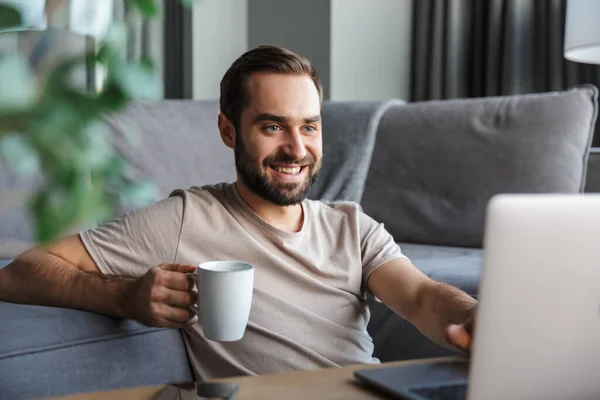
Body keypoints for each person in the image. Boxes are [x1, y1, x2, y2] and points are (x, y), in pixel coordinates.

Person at [0, 45, 476, 380]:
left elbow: (423, 298)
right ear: (229, 131)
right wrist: (123, 297)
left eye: (309, 127)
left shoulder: (352, 227)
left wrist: (475, 318)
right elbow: (19, 272)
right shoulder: (186, 218)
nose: (296, 148)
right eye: (273, 126)